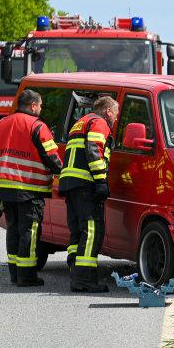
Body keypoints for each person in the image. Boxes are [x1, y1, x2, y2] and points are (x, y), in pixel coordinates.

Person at [0, 89, 62, 286]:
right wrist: (64, 173)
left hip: (4, 186)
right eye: (40, 105)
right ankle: (27, 276)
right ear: (33, 105)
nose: (41, 108)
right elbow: (52, 157)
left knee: (12, 229)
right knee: (29, 231)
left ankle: (15, 274)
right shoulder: (37, 126)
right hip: (29, 188)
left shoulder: (1, 124)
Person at [60, 96, 118, 292]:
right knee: (92, 230)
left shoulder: (81, 122)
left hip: (70, 183)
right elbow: (94, 150)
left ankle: (76, 272)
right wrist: (101, 180)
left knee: (77, 231)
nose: (116, 119)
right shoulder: (99, 123)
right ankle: (84, 280)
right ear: (108, 111)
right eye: (116, 114)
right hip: (86, 183)